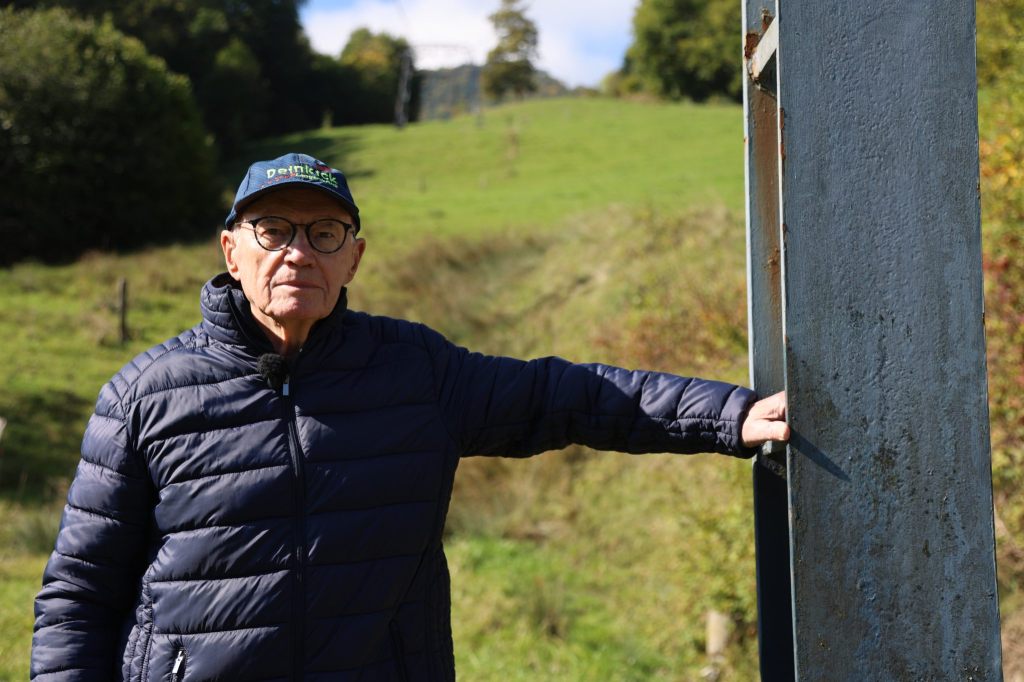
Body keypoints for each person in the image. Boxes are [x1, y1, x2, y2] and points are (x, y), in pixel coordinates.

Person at [31, 153, 789, 681]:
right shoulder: (144, 394)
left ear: (354, 258)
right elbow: (79, 594)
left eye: (324, 233)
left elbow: (571, 397)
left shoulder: (414, 371)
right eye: (274, 231)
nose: (298, 253)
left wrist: (733, 414)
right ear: (232, 251)